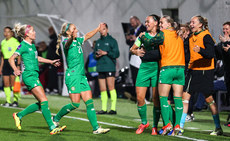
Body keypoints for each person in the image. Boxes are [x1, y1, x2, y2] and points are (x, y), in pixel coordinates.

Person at [53, 22, 110, 134]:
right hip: (73, 76)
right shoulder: (66, 42)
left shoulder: (78, 41)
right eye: (74, 29)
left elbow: (87, 36)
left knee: (89, 102)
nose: (76, 30)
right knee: (75, 104)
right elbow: (68, 42)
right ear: (68, 32)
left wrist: (97, 28)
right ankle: (55, 119)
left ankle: (96, 128)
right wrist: (71, 38)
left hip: (82, 76)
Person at [9, 23, 66, 135]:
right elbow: (11, 58)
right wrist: (15, 69)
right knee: (44, 100)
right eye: (33, 31)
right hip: (29, 76)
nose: (35, 32)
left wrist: (51, 61)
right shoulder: (23, 45)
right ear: (26, 34)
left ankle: (19, 115)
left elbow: (37, 58)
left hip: (34, 75)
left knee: (41, 102)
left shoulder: (32, 45)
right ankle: (52, 127)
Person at [181, 15, 223, 136]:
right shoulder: (190, 37)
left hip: (205, 71)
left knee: (209, 99)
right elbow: (187, 53)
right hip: (192, 70)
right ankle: (180, 126)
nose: (191, 24)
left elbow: (211, 54)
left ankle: (218, 127)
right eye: (190, 22)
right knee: (185, 97)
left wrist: (201, 50)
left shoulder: (206, 36)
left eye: (193, 22)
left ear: (200, 24)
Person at [130, 14, 163, 135]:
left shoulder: (161, 35)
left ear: (156, 22)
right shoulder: (142, 36)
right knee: (139, 97)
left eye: (148, 21)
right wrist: (136, 51)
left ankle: (155, 126)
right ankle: (144, 122)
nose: (146, 23)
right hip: (144, 68)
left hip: (156, 68)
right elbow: (132, 49)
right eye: (145, 22)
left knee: (155, 99)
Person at [158, 15, 185, 135]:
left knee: (163, 98)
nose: (159, 25)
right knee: (178, 98)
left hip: (167, 68)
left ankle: (166, 125)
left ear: (169, 24)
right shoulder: (178, 34)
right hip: (180, 69)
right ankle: (177, 126)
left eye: (161, 22)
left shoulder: (162, 34)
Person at [94, 23, 120, 115]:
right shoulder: (98, 42)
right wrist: (97, 54)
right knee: (102, 89)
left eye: (104, 29)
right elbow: (94, 55)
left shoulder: (112, 41)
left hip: (109, 67)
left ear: (107, 30)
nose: (102, 31)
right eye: (100, 29)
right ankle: (103, 109)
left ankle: (113, 108)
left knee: (111, 87)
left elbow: (116, 54)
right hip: (100, 67)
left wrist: (105, 52)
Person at [125, 16, 147, 101]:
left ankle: (145, 96)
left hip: (141, 56)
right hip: (133, 56)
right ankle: (137, 96)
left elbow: (145, 40)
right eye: (131, 23)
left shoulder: (144, 29)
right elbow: (128, 43)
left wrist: (136, 38)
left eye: (133, 22)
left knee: (142, 77)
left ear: (137, 20)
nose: (132, 24)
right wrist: (128, 39)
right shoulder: (131, 30)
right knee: (135, 77)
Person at [0, 26, 21, 107]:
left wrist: (18, 66)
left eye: (8, 31)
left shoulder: (15, 42)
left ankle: (15, 101)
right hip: (5, 63)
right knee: (6, 83)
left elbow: (19, 55)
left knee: (13, 83)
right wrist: (1, 67)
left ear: (12, 33)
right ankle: (8, 101)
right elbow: (2, 56)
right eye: (5, 31)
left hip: (13, 63)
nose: (6, 33)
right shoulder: (3, 42)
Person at [215, 21, 230, 127]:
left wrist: (226, 44)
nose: (225, 31)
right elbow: (219, 55)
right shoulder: (223, 41)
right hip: (227, 72)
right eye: (223, 29)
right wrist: (221, 44)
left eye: (227, 29)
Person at [45, 26, 59, 94]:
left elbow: (56, 52)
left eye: (50, 31)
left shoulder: (55, 40)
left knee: (53, 74)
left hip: (53, 60)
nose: (49, 33)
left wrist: (54, 60)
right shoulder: (52, 40)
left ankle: (54, 89)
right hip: (50, 61)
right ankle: (50, 88)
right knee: (50, 74)